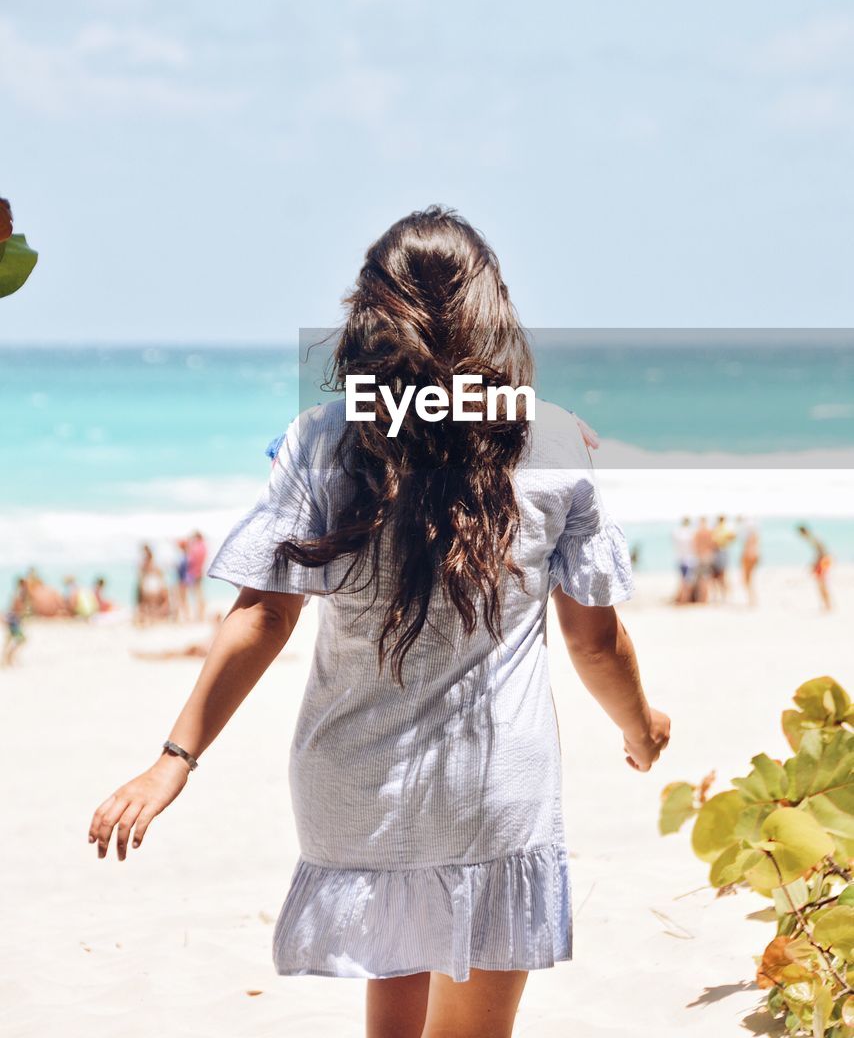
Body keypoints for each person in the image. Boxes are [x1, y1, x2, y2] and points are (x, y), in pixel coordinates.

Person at [88, 206, 670, 1038]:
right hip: (490, 793)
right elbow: (593, 640)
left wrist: (174, 760)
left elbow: (263, 616)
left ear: (371, 314)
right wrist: (640, 726)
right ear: (492, 311)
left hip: (357, 789)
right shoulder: (547, 442)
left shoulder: (327, 438)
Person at [796, 524, 833, 612]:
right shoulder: (813, 537)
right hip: (824, 560)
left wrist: (815, 563)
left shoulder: (812, 538)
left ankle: (828, 605)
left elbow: (821, 551)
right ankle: (827, 605)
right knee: (821, 584)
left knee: (821, 584)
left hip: (823, 560)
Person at [134, 544, 171, 626]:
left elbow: (142, 575)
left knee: (147, 604)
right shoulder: (150, 565)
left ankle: (147, 618)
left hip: (149, 586)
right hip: (151, 586)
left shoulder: (146, 565)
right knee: (149, 604)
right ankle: (149, 618)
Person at [2, 579, 29, 667]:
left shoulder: (18, 595)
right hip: (14, 620)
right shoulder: (19, 595)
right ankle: (9, 657)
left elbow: (13, 609)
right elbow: (16, 610)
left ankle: (6, 658)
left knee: (9, 640)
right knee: (21, 639)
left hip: (12, 620)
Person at [710, 515, 736, 601]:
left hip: (718, 552)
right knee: (721, 576)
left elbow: (713, 541)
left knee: (716, 577)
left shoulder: (717, 529)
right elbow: (733, 537)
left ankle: (719, 596)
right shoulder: (724, 529)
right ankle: (722, 596)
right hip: (722, 552)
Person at [671, 516, 696, 604]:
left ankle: (681, 599)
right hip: (689, 560)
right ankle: (684, 600)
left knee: (682, 581)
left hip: (679, 559)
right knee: (687, 581)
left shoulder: (677, 532)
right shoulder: (691, 533)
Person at [737, 516, 760, 606]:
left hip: (749, 557)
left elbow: (749, 549)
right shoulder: (755, 535)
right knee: (748, 580)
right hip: (753, 557)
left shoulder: (750, 536)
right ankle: (752, 599)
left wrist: (744, 558)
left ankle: (752, 599)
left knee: (747, 580)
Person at [185, 531, 208, 622]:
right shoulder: (204, 546)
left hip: (195, 573)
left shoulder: (196, 547)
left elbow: (191, 560)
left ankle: (199, 615)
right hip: (199, 572)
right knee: (200, 594)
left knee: (197, 595)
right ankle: (201, 615)